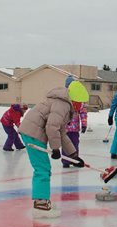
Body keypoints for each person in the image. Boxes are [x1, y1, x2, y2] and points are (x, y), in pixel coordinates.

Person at [19, 85, 85, 218]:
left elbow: (61, 133)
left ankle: (42, 200)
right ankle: (41, 204)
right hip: (33, 134)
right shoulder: (62, 105)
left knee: (43, 168)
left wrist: (73, 155)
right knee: (42, 168)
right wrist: (55, 148)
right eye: (80, 103)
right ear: (75, 100)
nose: (81, 106)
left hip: (32, 132)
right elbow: (51, 127)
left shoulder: (62, 104)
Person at [62, 77, 88, 168]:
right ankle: (66, 161)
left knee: (74, 144)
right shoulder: (63, 99)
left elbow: (83, 112)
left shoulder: (79, 100)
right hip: (65, 128)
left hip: (74, 128)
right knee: (66, 144)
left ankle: (74, 160)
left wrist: (84, 124)